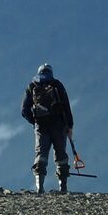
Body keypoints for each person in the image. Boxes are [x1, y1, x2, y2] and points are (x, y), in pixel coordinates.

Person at [21, 62, 74, 194]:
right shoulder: (57, 84)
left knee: (41, 155)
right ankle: (63, 187)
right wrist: (69, 126)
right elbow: (66, 107)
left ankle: (40, 187)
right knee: (61, 155)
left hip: (41, 126)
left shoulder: (32, 85)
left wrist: (34, 121)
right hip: (58, 125)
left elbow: (24, 110)